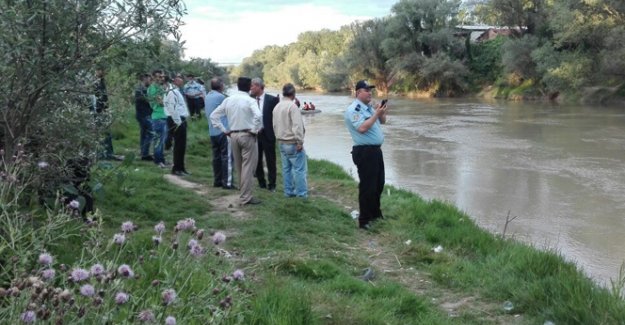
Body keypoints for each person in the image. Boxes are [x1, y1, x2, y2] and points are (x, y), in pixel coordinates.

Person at [210, 77, 262, 205]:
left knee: (239, 166)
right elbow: (259, 115)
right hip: (247, 134)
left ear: (237, 86)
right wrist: (254, 129)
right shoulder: (250, 100)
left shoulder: (228, 100)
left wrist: (224, 130)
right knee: (248, 167)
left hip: (233, 135)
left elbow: (213, 116)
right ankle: (246, 197)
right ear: (250, 86)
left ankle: (243, 192)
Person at [344, 80, 388, 230]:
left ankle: (375, 213)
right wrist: (376, 114)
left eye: (371, 90)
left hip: (375, 151)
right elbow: (362, 128)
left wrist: (380, 112)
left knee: (379, 184)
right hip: (365, 152)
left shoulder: (368, 108)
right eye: (366, 90)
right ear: (358, 93)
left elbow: (383, 122)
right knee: (367, 187)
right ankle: (364, 220)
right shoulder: (354, 109)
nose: (370, 92)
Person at [273, 83, 307, 198]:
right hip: (292, 142)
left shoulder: (277, 106)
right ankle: (301, 194)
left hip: (281, 141)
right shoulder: (292, 107)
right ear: (293, 94)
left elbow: (274, 125)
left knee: (286, 169)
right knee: (299, 169)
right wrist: (299, 142)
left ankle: (288, 192)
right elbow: (297, 126)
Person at [204, 77, 235, 189]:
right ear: (221, 86)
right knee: (226, 157)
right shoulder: (221, 97)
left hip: (212, 131)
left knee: (216, 157)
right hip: (223, 132)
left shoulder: (207, 96)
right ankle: (227, 183)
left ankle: (217, 181)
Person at [250, 78, 279, 192]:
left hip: (268, 134)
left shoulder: (272, 100)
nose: (251, 88)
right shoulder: (249, 100)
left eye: (252, 86)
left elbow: (277, 118)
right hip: (254, 134)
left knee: (271, 160)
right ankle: (261, 183)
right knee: (256, 160)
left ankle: (272, 184)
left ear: (259, 86)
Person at [92, 66, 123, 161]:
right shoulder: (94, 83)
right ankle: (102, 155)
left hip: (104, 111)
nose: (102, 71)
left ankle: (109, 154)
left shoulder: (102, 81)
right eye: (100, 69)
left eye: (102, 70)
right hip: (98, 112)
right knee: (102, 134)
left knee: (107, 134)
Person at [164, 73, 191, 176]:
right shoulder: (171, 92)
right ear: (174, 79)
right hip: (176, 120)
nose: (182, 80)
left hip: (180, 119)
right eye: (180, 78)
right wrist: (178, 122)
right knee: (178, 145)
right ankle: (176, 168)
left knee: (182, 145)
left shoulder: (176, 90)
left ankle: (181, 167)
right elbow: (172, 108)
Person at [147, 69, 168, 168]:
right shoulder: (153, 88)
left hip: (163, 116)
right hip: (158, 116)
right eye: (159, 77)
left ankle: (161, 159)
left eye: (162, 77)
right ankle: (158, 160)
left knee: (162, 140)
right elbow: (161, 102)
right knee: (158, 140)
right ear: (154, 77)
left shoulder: (160, 87)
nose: (162, 78)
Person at [135, 73, 153, 161]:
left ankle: (143, 152)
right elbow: (144, 99)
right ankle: (145, 154)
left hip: (146, 113)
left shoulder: (147, 88)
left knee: (144, 134)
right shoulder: (140, 89)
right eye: (148, 79)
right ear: (144, 79)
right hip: (143, 114)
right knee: (150, 133)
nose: (150, 81)